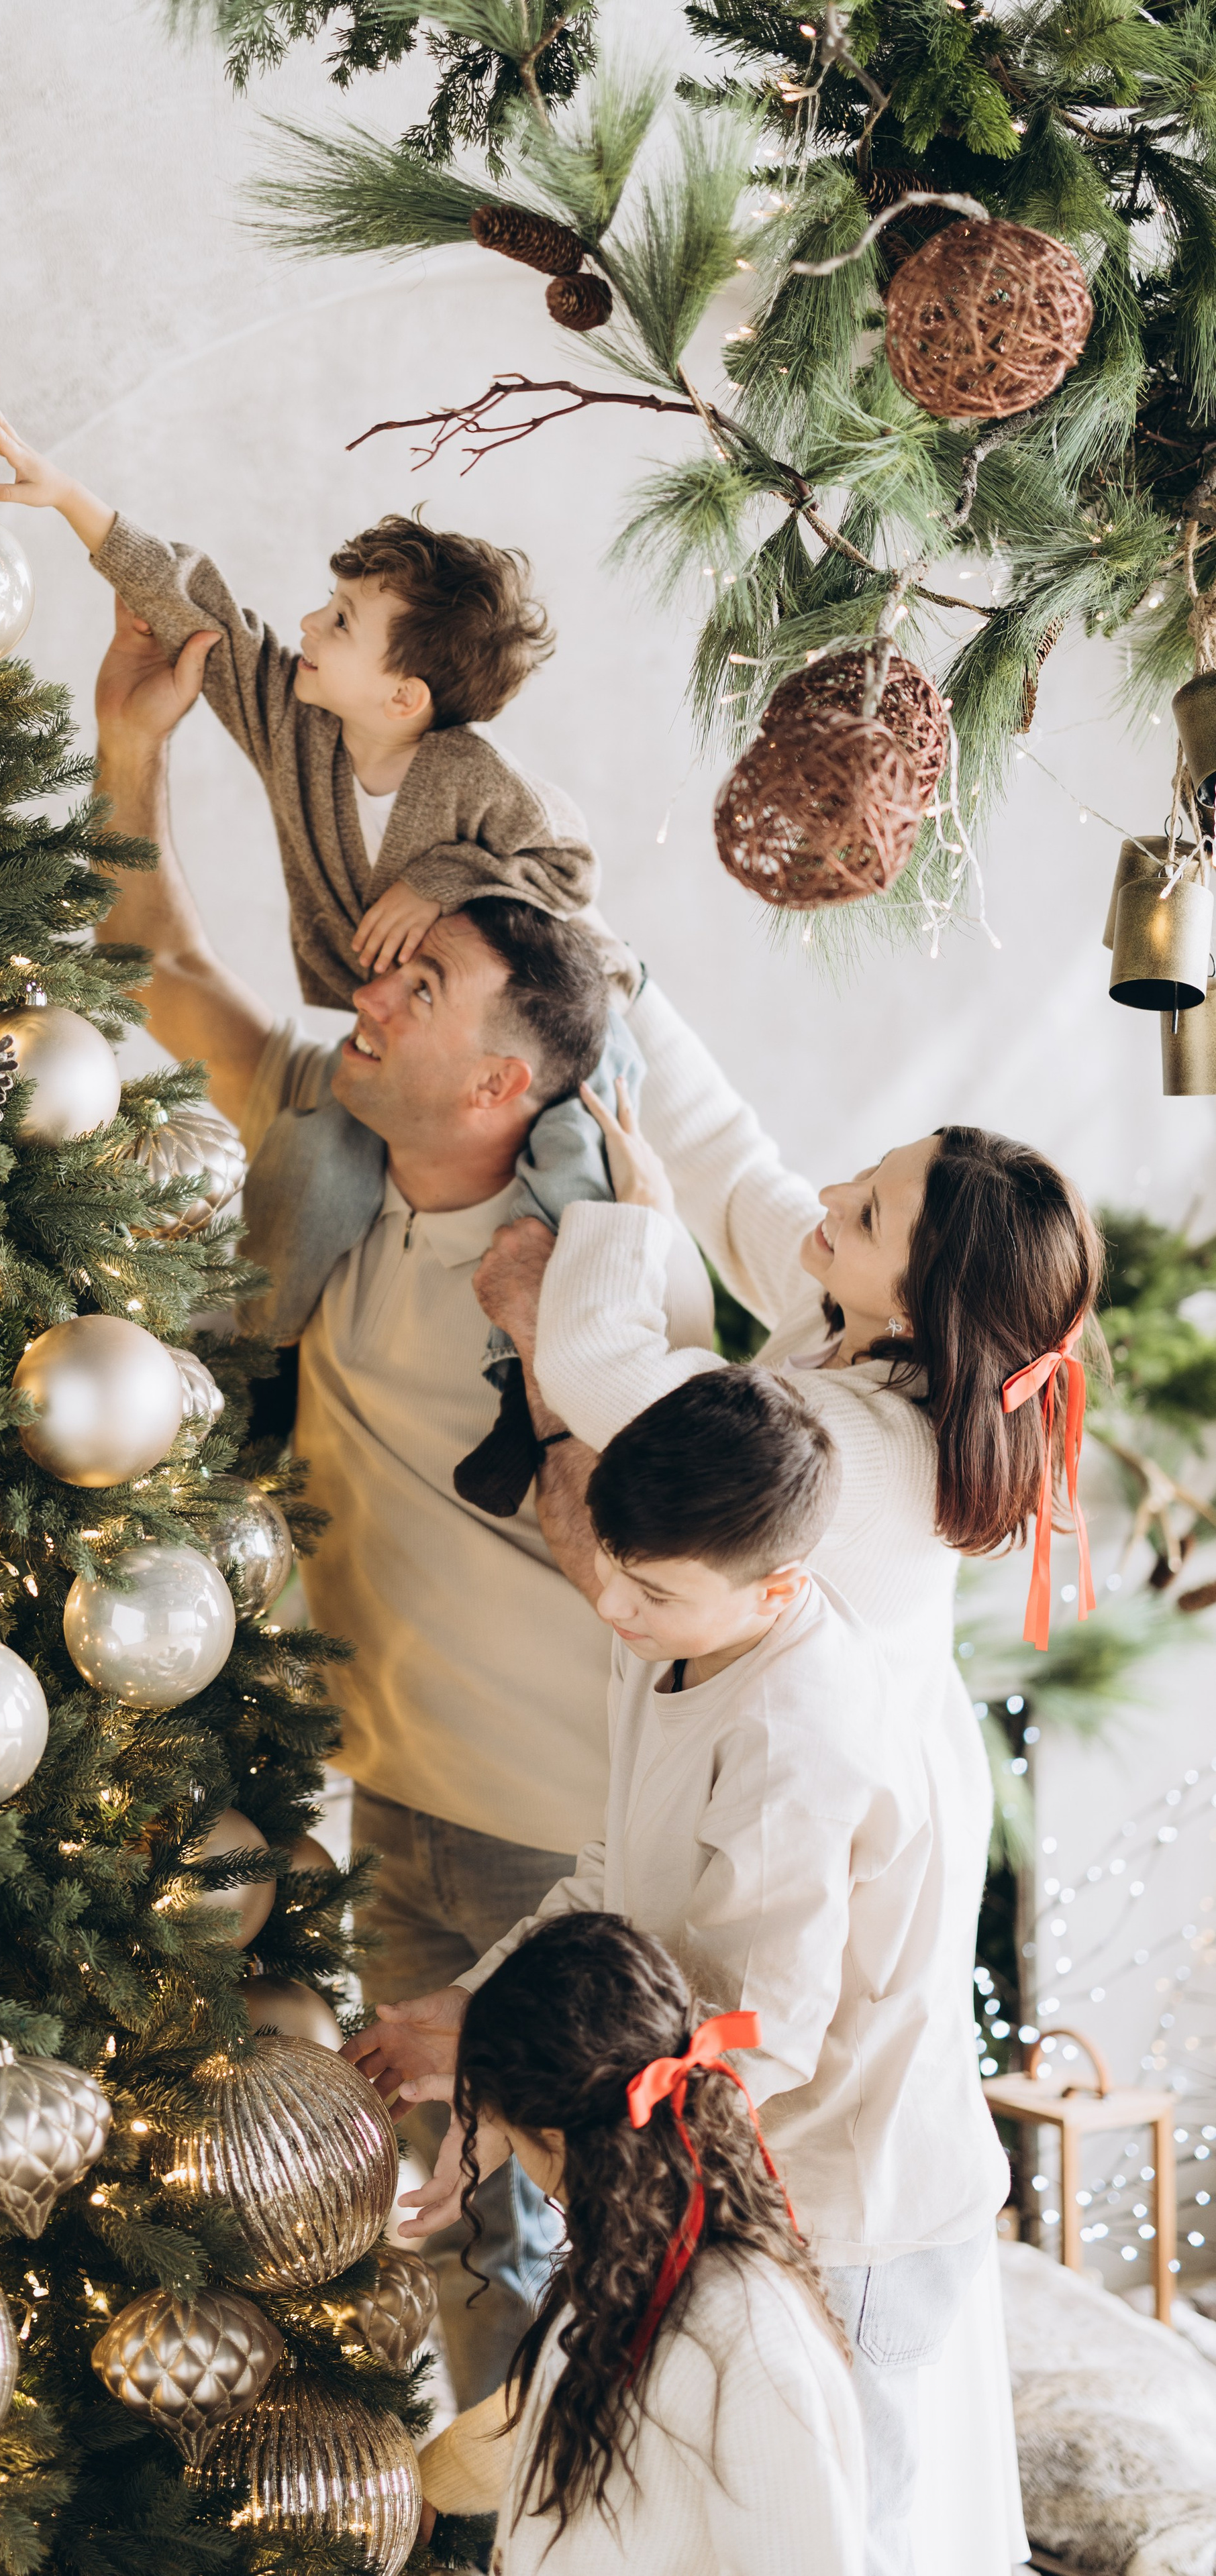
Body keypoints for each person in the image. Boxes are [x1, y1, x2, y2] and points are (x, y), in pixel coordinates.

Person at [81, 596, 715, 2408]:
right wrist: (132, 747)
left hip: (556, 1842)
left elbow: (703, 1569)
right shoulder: (329, 1145)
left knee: (598, 2236)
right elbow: (159, 967)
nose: (367, 993)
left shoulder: (600, 1273)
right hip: (391, 1797)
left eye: (414, 991)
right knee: (450, 2248)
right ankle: (479, 2521)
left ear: (508, 1082)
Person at [463, 1000, 1101, 2574]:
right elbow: (762, 1186)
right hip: (806, 2088)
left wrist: (617, 1224)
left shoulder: (841, 1446)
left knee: (844, 2515)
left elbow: (611, 1362)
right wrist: (630, 1001)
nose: (832, 1199)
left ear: (923, 1295)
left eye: (869, 1207)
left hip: (843, 2162)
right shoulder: (849, 1359)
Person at [351, 1366, 1008, 2576]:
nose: (609, 1599)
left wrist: (503, 2092)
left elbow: (759, 2038)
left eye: (648, 1587)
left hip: (844, 2198)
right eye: (609, 1557)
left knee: (854, 2533)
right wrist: (473, 2013)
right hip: (724, 2163)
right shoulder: (666, 1630)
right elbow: (614, 1868)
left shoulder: (796, 1735)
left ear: (781, 1589)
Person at [0, 411, 648, 1515]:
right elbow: (204, 610)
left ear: (406, 698)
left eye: (339, 622)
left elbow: (569, 877)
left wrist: (444, 881)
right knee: (314, 1169)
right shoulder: (307, 725)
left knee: (580, 1183)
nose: (306, 627)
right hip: (411, 1080)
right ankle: (253, 1371)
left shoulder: (483, 785)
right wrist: (71, 501)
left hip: (580, 1028)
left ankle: (527, 1403)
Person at [415, 1913, 866, 2576]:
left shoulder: (747, 2339)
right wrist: (423, 2484)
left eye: (505, 2131)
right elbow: (555, 2406)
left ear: (555, 2139)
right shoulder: (628, 2259)